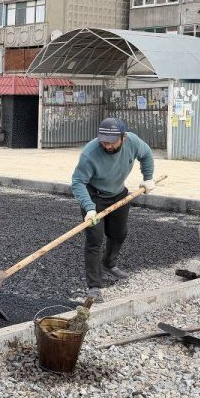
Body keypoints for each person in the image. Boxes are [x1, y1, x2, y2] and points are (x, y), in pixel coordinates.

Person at [71, 117, 156, 302]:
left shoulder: (133, 141)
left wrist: (148, 178)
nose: (107, 146)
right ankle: (93, 286)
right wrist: (89, 208)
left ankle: (109, 263)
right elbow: (78, 182)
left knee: (119, 234)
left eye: (111, 142)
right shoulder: (90, 153)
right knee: (95, 239)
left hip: (118, 193)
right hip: (94, 197)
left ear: (123, 137)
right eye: (103, 142)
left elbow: (147, 154)